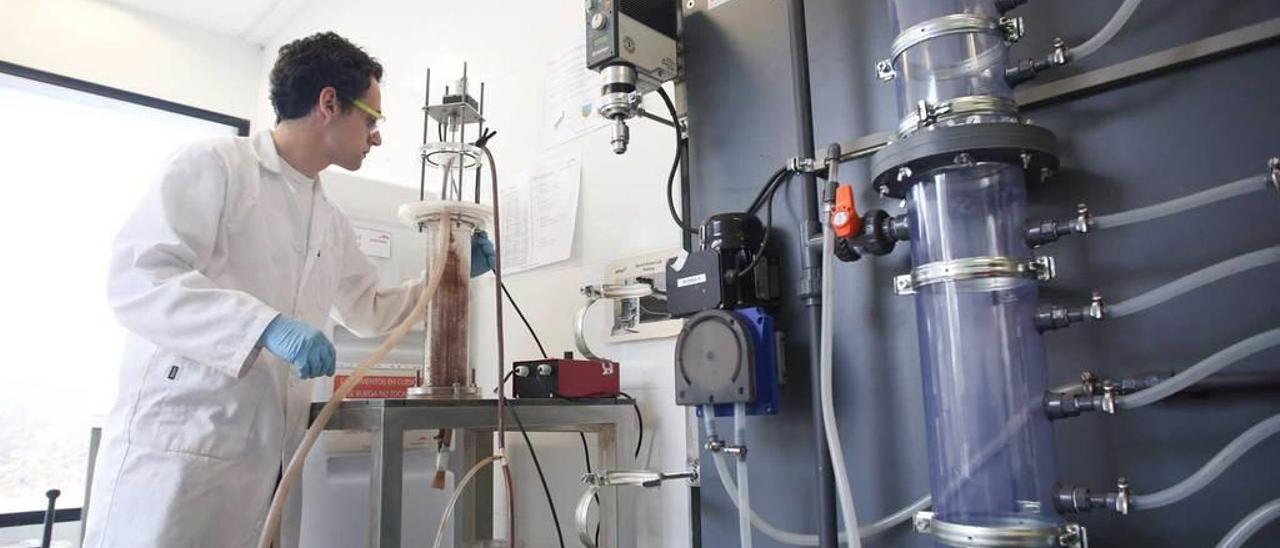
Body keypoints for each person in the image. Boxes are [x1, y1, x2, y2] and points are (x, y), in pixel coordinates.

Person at [82, 32, 494, 548]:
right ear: (328, 103)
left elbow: (368, 311)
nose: (376, 137)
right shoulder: (215, 166)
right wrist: (264, 326)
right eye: (371, 119)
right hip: (181, 455)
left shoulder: (328, 219)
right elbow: (140, 277)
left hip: (267, 463)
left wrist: (447, 277)